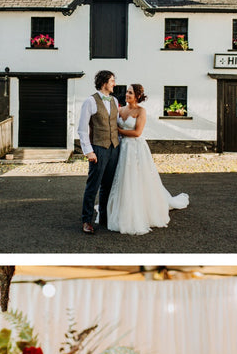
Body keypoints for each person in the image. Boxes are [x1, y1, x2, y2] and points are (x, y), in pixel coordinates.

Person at [106, 84, 189, 234]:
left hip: (135, 148)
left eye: (130, 93)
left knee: (137, 178)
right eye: (127, 92)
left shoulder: (141, 111)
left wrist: (117, 130)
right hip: (122, 148)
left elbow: (137, 132)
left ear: (137, 96)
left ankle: (141, 210)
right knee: (123, 178)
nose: (127, 94)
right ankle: (122, 208)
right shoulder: (120, 110)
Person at [77, 70, 120, 235]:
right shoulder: (90, 101)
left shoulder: (115, 100)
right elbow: (82, 129)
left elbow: (116, 125)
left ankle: (104, 217)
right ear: (104, 83)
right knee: (93, 186)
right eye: (112, 81)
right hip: (98, 148)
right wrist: (89, 151)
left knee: (108, 186)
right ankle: (86, 220)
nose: (114, 84)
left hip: (114, 148)